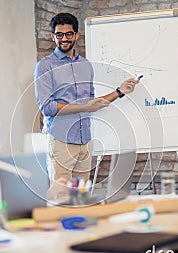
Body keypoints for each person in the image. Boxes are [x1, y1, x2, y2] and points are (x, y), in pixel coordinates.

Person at [34, 13, 139, 190]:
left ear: (75, 35)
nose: (64, 39)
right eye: (59, 35)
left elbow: (92, 103)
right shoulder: (45, 66)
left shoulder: (85, 65)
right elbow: (47, 107)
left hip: (85, 141)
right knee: (62, 198)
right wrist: (84, 107)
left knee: (81, 198)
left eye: (68, 34)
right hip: (60, 141)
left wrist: (120, 91)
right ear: (53, 36)